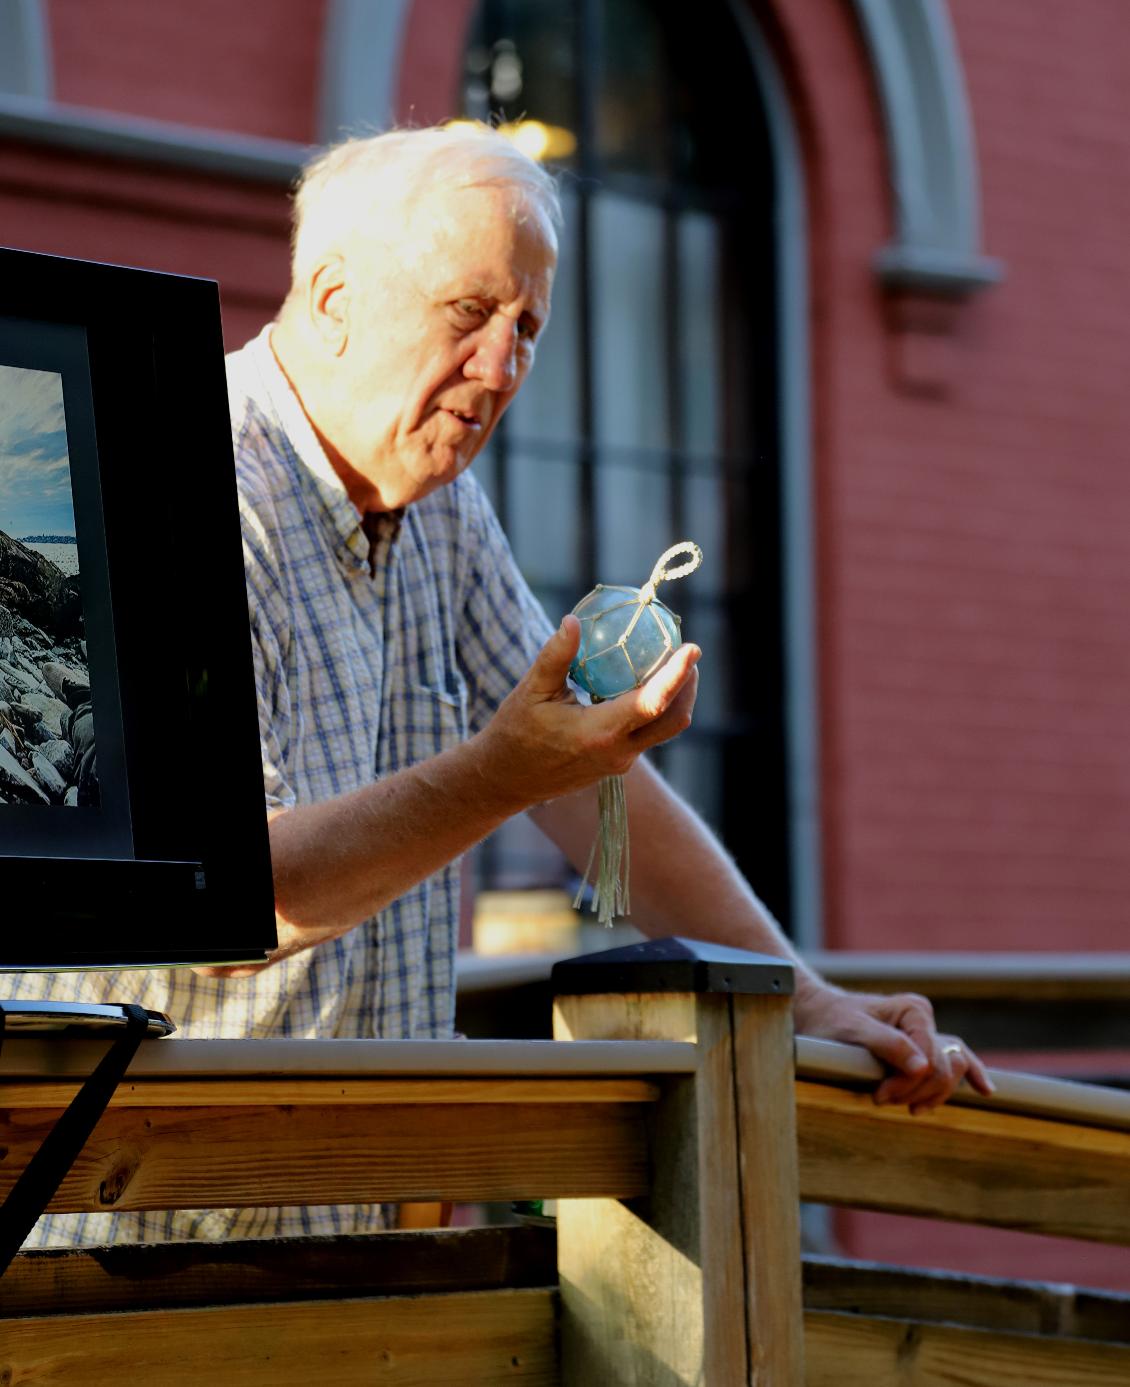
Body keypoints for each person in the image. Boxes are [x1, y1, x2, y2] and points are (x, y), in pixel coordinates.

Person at [15, 124, 991, 1246]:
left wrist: (805, 996)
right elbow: (235, 900)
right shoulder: (182, 479)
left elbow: (583, 785)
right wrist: (497, 775)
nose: (501, 367)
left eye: (525, 327)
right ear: (331, 298)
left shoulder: (437, 500)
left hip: (349, 1232)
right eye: (466, 314)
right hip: (130, 1242)